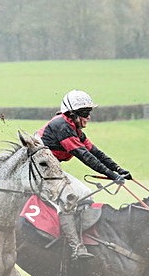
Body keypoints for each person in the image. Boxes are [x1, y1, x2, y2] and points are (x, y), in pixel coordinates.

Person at [37, 89, 132, 259]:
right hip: (37, 168)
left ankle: (78, 234)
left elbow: (95, 152)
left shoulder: (75, 130)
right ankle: (75, 247)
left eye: (89, 112)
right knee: (70, 198)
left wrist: (118, 169)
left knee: (85, 193)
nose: (88, 117)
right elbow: (85, 156)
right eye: (85, 113)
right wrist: (111, 175)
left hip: (50, 167)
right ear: (72, 114)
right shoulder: (62, 126)